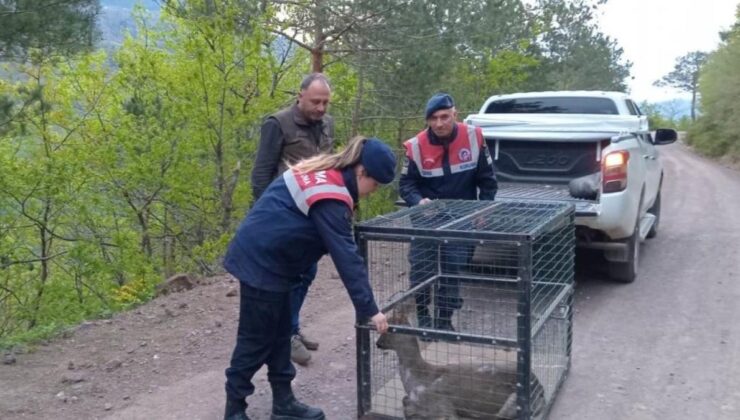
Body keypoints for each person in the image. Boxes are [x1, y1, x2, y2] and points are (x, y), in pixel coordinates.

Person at [223, 137, 395, 420]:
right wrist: (370, 309)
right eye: (374, 185)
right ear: (362, 171)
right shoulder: (333, 194)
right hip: (262, 263)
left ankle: (284, 402)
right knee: (255, 340)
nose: (371, 192)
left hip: (280, 264)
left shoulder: (328, 173)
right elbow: (346, 258)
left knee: (281, 336)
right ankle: (235, 408)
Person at [251, 73, 334, 365]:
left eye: (325, 102)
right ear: (300, 96)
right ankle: (284, 337)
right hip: (283, 216)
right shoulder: (278, 124)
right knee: (287, 277)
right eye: (315, 102)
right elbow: (261, 174)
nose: (321, 108)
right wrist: (266, 219)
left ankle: (292, 328)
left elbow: (328, 166)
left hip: (312, 215)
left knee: (306, 273)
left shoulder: (326, 124)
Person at [399, 93, 498, 332]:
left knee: (452, 269)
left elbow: (487, 180)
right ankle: (423, 317)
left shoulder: (473, 137)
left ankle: (444, 320)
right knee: (422, 270)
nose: (439, 123)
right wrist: (418, 201)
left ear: (455, 114)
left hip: (461, 217)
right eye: (433, 118)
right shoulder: (416, 146)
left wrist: (482, 207)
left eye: (444, 116)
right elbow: (405, 185)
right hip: (426, 218)